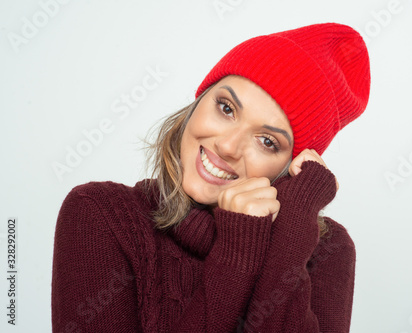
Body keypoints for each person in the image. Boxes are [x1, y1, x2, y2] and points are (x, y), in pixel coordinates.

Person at [51, 22, 370, 332]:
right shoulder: (100, 214)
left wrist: (292, 232)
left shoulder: (327, 250)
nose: (228, 146)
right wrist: (237, 255)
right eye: (226, 108)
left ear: (291, 166)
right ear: (198, 102)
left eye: (267, 141)